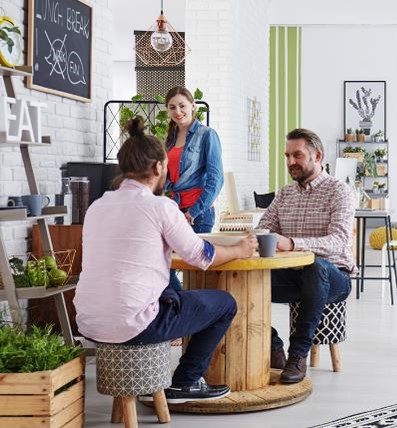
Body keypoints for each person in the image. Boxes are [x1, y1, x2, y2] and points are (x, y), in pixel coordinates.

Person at [74, 117, 257, 403]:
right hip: (134, 324)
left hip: (89, 322)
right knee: (225, 304)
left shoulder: (97, 206)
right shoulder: (160, 206)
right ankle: (185, 382)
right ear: (159, 167)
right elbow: (200, 256)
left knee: (170, 292)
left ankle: (171, 378)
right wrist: (239, 250)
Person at [257, 128, 356, 384]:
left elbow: (337, 242)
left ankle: (297, 355)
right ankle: (273, 344)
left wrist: (291, 243)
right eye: (287, 156)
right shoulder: (284, 194)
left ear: (318, 155)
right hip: (293, 277)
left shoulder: (339, 192)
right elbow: (264, 229)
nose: (291, 162)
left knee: (315, 267)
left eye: (298, 155)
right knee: (240, 278)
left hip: (335, 277)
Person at [165, 86, 224, 291]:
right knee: (165, 264)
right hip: (175, 210)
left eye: (182, 105)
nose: (178, 111)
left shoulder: (207, 134)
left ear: (193, 106)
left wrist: (193, 211)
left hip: (198, 213)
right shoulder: (171, 139)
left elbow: (216, 179)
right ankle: (181, 308)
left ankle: (193, 314)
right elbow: (167, 178)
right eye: (172, 107)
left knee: (195, 269)